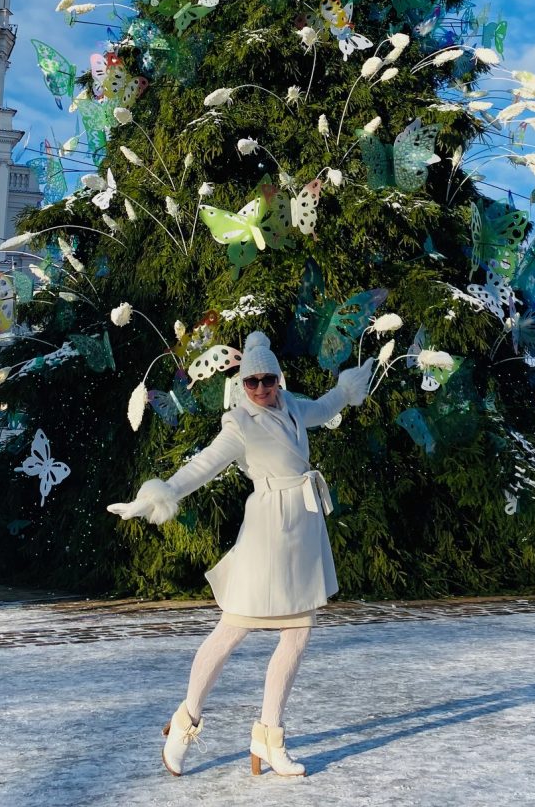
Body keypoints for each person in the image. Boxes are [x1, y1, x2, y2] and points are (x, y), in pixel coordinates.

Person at [108, 330, 372, 778]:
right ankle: (184, 721)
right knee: (232, 630)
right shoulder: (239, 424)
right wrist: (161, 494)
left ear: (277, 378)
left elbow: (327, 407)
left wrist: (348, 387)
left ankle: (269, 736)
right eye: (252, 382)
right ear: (243, 384)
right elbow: (203, 465)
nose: (262, 389)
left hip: (303, 529)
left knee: (298, 636)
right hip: (268, 532)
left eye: (268, 379)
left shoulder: (291, 405)